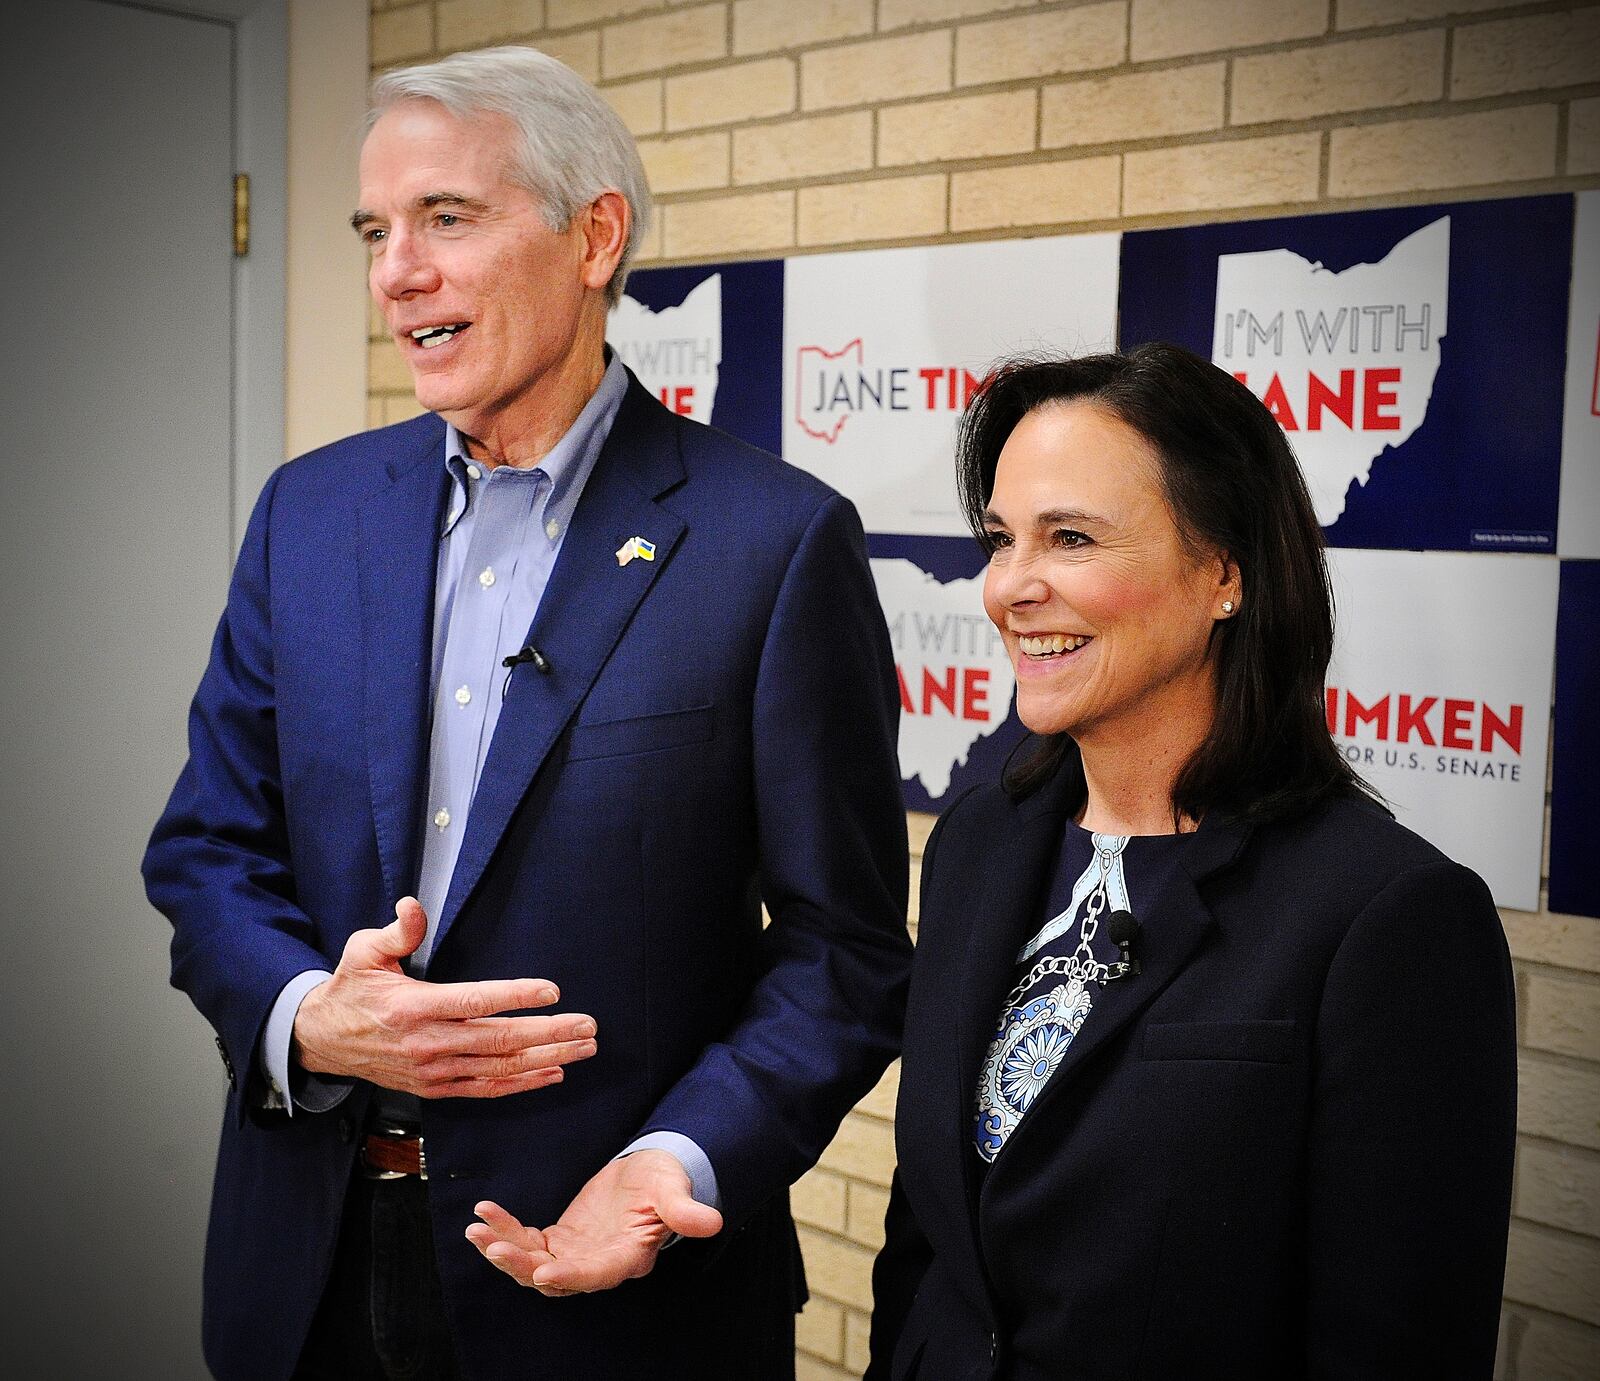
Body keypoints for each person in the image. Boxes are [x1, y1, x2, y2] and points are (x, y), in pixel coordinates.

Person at [144, 45, 911, 1381]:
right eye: (377, 233)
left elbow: (844, 955)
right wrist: (304, 1014)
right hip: (305, 1266)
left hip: (614, 1295)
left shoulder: (774, 544)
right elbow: (207, 849)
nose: (397, 272)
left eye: (446, 218)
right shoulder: (307, 518)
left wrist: (677, 1160)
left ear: (593, 234)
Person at [867, 344, 1516, 1381]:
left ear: (1224, 572)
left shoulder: (1385, 914)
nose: (1010, 587)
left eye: (1069, 537)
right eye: (1000, 539)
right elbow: (932, 1240)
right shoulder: (976, 844)